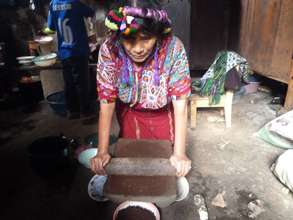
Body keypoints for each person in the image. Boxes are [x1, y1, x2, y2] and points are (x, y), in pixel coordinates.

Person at [91, 0, 192, 177]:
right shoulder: (109, 49)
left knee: (163, 167)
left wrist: (179, 153)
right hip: (129, 116)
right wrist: (102, 151)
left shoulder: (173, 48)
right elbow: (106, 102)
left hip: (163, 117)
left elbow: (181, 103)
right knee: (132, 166)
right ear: (118, 36)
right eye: (129, 39)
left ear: (158, 35)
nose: (138, 49)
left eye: (146, 38)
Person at [47, 0, 95, 119]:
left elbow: (50, 27)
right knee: (82, 83)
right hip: (78, 50)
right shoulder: (74, 3)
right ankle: (86, 113)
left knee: (69, 83)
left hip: (64, 51)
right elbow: (91, 12)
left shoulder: (52, 4)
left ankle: (72, 111)